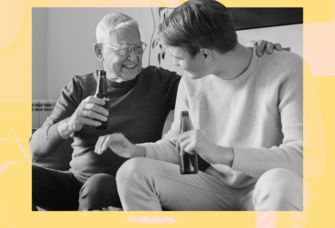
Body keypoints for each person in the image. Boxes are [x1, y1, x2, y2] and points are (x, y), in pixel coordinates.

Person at [18, 12, 278, 211]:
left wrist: (246, 55)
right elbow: (36, 149)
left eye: (138, 47)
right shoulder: (79, 86)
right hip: (74, 181)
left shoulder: (160, 81)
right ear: (100, 52)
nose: (134, 57)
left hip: (120, 185)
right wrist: (70, 124)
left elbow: (210, 78)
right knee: (12, 176)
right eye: (123, 49)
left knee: (98, 183)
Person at [94, 0, 307, 217]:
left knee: (280, 182)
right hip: (214, 188)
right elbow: (177, 143)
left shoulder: (287, 69)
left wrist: (223, 154)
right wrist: (137, 150)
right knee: (132, 171)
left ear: (205, 55)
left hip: (265, 188)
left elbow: (304, 157)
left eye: (177, 58)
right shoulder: (191, 81)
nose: (175, 64)